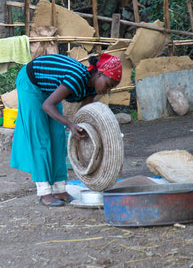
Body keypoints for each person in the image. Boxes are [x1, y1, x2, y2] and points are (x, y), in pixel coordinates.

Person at [10, 53, 122, 207]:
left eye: (111, 88)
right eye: (108, 84)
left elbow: (83, 116)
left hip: (50, 88)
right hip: (31, 83)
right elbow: (47, 106)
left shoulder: (91, 88)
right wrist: (70, 125)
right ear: (100, 74)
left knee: (57, 137)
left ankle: (60, 188)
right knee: (40, 138)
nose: (107, 90)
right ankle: (44, 192)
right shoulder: (76, 78)